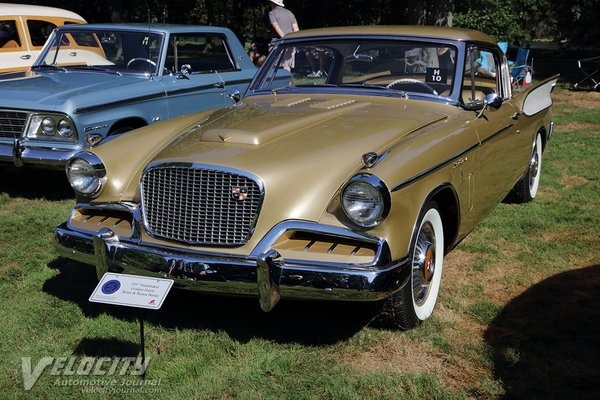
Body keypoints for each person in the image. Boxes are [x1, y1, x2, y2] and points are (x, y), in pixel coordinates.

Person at [267, 0, 299, 71]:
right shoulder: (290, 13)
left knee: (274, 66)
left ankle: (275, 81)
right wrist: (295, 41)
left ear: (273, 3)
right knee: (287, 66)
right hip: (290, 42)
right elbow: (296, 29)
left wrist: (284, 38)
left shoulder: (272, 13)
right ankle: (288, 82)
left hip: (277, 42)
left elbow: (276, 27)